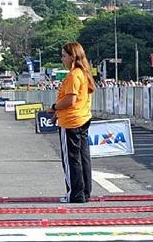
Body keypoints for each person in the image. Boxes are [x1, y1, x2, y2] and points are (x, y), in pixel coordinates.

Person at [47, 42, 95, 203]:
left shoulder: (74, 75)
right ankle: (84, 192)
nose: (62, 59)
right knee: (83, 156)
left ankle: (75, 193)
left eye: (64, 56)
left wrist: (54, 107)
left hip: (71, 122)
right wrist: (57, 114)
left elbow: (70, 99)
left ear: (72, 57)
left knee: (71, 159)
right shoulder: (84, 73)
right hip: (82, 118)